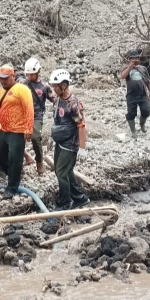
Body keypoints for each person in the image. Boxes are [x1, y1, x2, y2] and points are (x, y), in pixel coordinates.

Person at [0, 64, 34, 199]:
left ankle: (12, 186)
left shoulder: (21, 89)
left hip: (17, 131)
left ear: (13, 76)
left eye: (6, 78)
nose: (3, 81)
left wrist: (28, 128)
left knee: (15, 157)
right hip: (4, 129)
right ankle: (13, 174)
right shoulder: (0, 93)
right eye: (1, 78)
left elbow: (28, 108)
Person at [48, 69, 90, 210]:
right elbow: (56, 120)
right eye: (53, 85)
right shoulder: (57, 100)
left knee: (61, 172)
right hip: (60, 141)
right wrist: (52, 137)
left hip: (70, 144)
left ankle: (64, 202)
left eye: (56, 86)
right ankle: (80, 198)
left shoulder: (74, 103)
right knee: (67, 171)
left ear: (64, 85)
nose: (53, 89)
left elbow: (81, 126)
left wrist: (82, 148)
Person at [20, 58, 56, 175]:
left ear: (38, 72)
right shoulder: (22, 84)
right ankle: (22, 160)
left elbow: (54, 99)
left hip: (37, 116)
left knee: (35, 138)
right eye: (28, 74)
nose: (30, 76)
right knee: (18, 139)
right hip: (22, 116)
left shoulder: (44, 86)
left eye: (32, 74)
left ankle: (39, 161)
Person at [119, 50, 150, 138]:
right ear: (129, 59)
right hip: (131, 95)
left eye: (136, 58)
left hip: (142, 94)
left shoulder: (143, 68)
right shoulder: (126, 68)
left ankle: (142, 124)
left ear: (139, 59)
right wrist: (129, 68)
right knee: (131, 113)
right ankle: (133, 131)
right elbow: (122, 76)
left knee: (146, 110)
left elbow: (148, 82)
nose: (134, 59)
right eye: (132, 58)